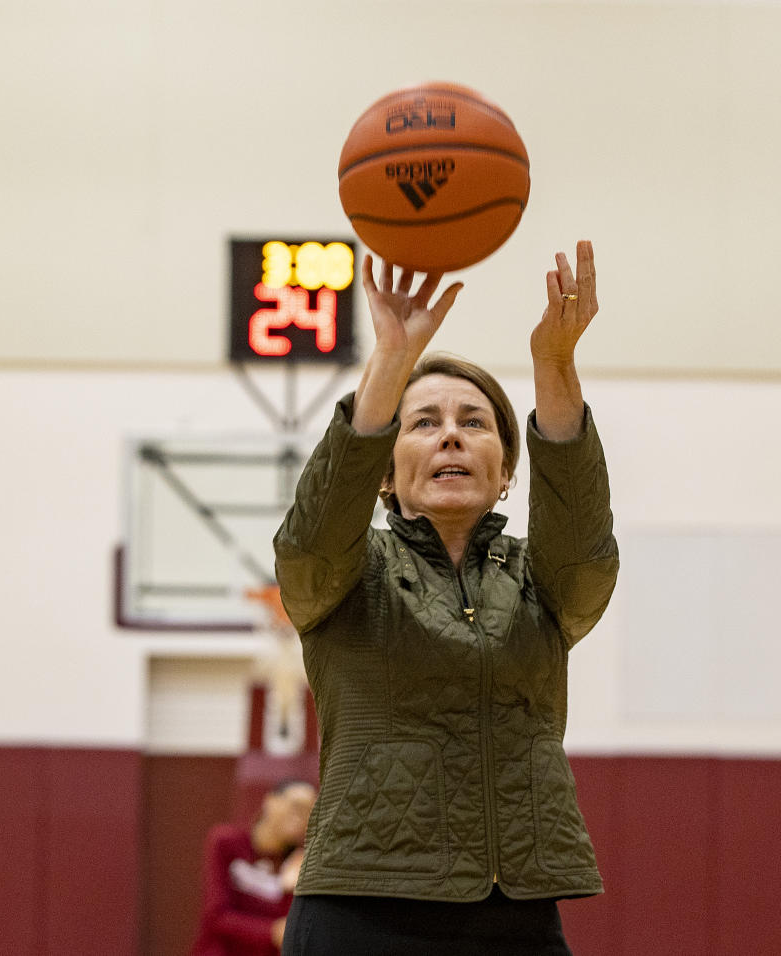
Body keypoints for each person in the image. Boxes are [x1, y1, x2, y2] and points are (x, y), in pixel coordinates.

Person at [273, 241, 618, 955]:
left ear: (505, 473)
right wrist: (391, 362)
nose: (451, 435)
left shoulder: (542, 584)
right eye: (423, 422)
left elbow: (585, 549)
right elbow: (310, 539)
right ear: (384, 473)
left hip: (515, 909)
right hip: (360, 911)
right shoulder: (344, 574)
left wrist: (555, 364)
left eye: (474, 422)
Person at [191, 778, 316, 956]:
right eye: (295, 805)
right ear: (270, 801)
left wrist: (291, 890)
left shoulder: (300, 863)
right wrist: (272, 931)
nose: (300, 816)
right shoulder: (227, 842)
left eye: (308, 812)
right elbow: (216, 915)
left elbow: (292, 930)